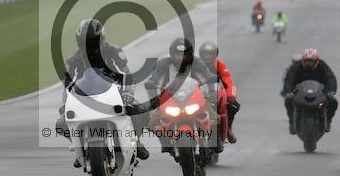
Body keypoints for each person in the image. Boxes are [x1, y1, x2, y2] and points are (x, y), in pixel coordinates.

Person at [56, 18, 149, 166]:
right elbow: (67, 83)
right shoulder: (74, 59)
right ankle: (80, 147)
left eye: (94, 40)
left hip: (113, 92)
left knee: (141, 110)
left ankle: (136, 141)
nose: (91, 44)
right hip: (85, 96)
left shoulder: (113, 51)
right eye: (86, 41)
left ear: (101, 39)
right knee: (61, 123)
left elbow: (125, 72)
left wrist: (128, 93)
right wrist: (66, 102)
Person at [145, 38, 219, 152]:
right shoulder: (163, 63)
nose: (181, 57)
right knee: (152, 121)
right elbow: (153, 80)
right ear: (172, 54)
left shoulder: (196, 62)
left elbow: (207, 75)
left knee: (215, 116)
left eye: (184, 54)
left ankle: (214, 142)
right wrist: (154, 100)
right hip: (169, 99)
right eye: (178, 54)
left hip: (195, 97)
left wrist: (212, 93)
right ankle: (166, 144)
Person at [281, 48, 338, 134]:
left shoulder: (322, 65)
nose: (309, 63)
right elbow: (289, 78)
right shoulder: (297, 66)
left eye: (311, 61)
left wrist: (331, 91)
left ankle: (328, 121)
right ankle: (292, 122)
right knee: (288, 100)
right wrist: (288, 91)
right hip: (299, 92)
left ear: (317, 61)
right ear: (303, 60)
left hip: (320, 92)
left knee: (333, 101)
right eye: (307, 61)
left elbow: (330, 78)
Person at [199, 41, 240, 145]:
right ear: (201, 54)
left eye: (210, 54)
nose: (207, 57)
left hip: (214, 93)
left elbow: (228, 81)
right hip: (197, 95)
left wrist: (231, 95)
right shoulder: (194, 66)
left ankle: (228, 129)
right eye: (205, 54)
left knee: (233, 105)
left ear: (215, 55)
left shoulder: (220, 65)